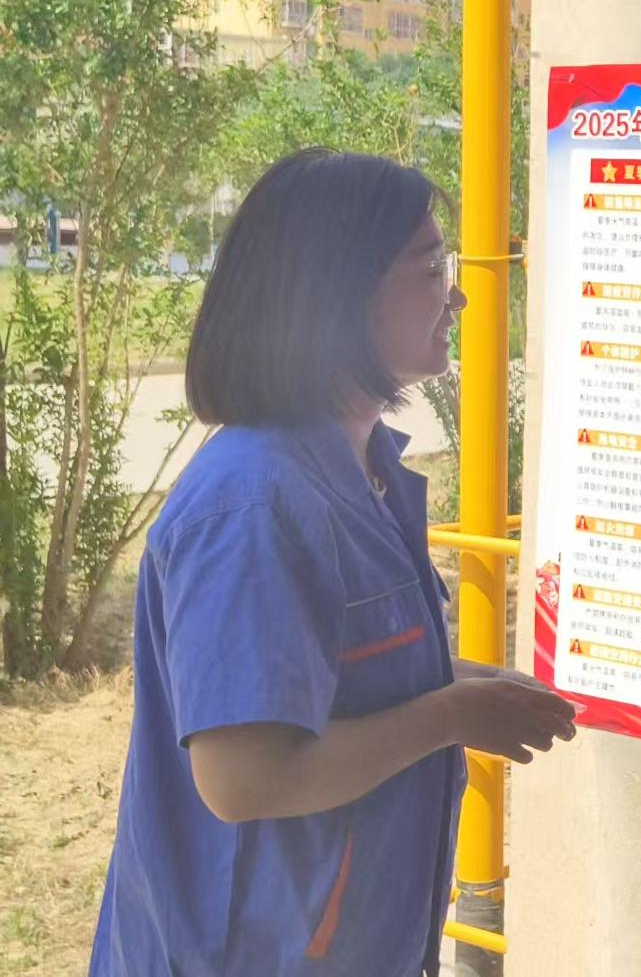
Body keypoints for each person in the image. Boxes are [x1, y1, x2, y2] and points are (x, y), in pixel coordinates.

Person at [90, 150, 578, 977]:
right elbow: (244, 778)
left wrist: (463, 685)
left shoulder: (362, 468)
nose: (458, 296)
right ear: (339, 294)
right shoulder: (253, 504)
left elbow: (325, 680)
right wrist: (451, 714)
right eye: (431, 267)